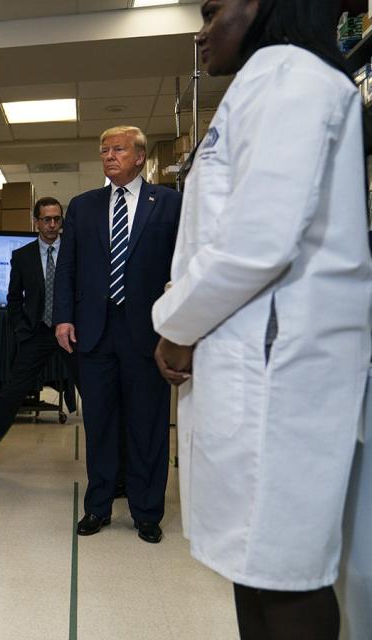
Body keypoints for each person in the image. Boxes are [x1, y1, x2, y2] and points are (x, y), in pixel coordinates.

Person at [151, 1, 372, 637]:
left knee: (284, 572)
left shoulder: (294, 78)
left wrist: (176, 324)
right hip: (253, 360)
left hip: (281, 372)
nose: (201, 31)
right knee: (254, 564)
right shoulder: (266, 79)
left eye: (212, 10)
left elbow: (257, 243)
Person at [53, 125, 181, 544]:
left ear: (140, 157)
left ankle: (147, 511)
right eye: (104, 149)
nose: (109, 155)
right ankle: (98, 506)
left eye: (119, 149)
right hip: (95, 332)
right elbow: (67, 267)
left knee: (148, 423)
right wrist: (63, 318)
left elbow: (182, 266)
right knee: (101, 423)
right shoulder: (83, 206)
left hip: (147, 332)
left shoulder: (169, 203)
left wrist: (180, 326)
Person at [0, 197, 80, 475]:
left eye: (57, 219)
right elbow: (13, 297)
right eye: (46, 219)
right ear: (36, 221)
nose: (52, 225)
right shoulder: (23, 256)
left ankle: (116, 467)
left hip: (71, 333)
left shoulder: (74, 252)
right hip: (36, 333)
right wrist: (21, 328)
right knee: (10, 395)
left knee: (97, 393)